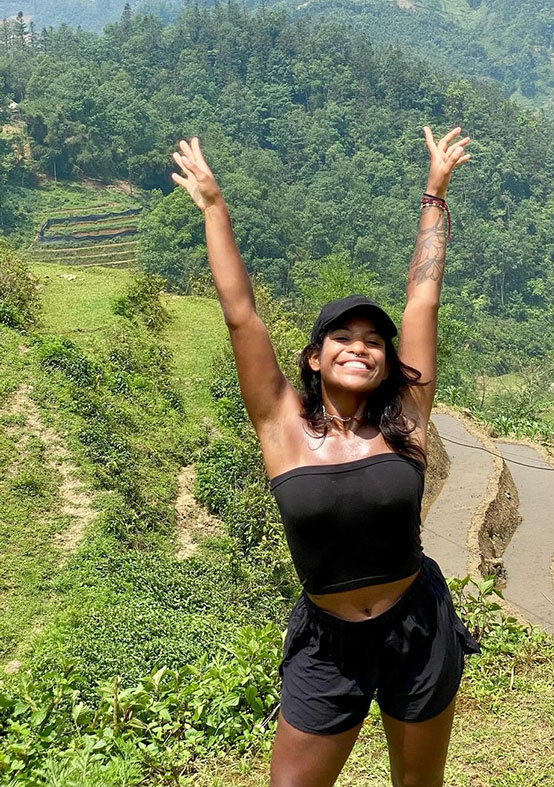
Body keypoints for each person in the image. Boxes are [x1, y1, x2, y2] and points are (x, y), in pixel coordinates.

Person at [172, 126, 480, 787]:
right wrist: (213, 206)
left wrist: (435, 192)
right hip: (327, 645)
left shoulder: (407, 416)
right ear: (315, 356)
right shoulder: (280, 423)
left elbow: (423, 295)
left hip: (417, 625)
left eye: (374, 340)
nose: (360, 347)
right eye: (342, 335)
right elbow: (240, 314)